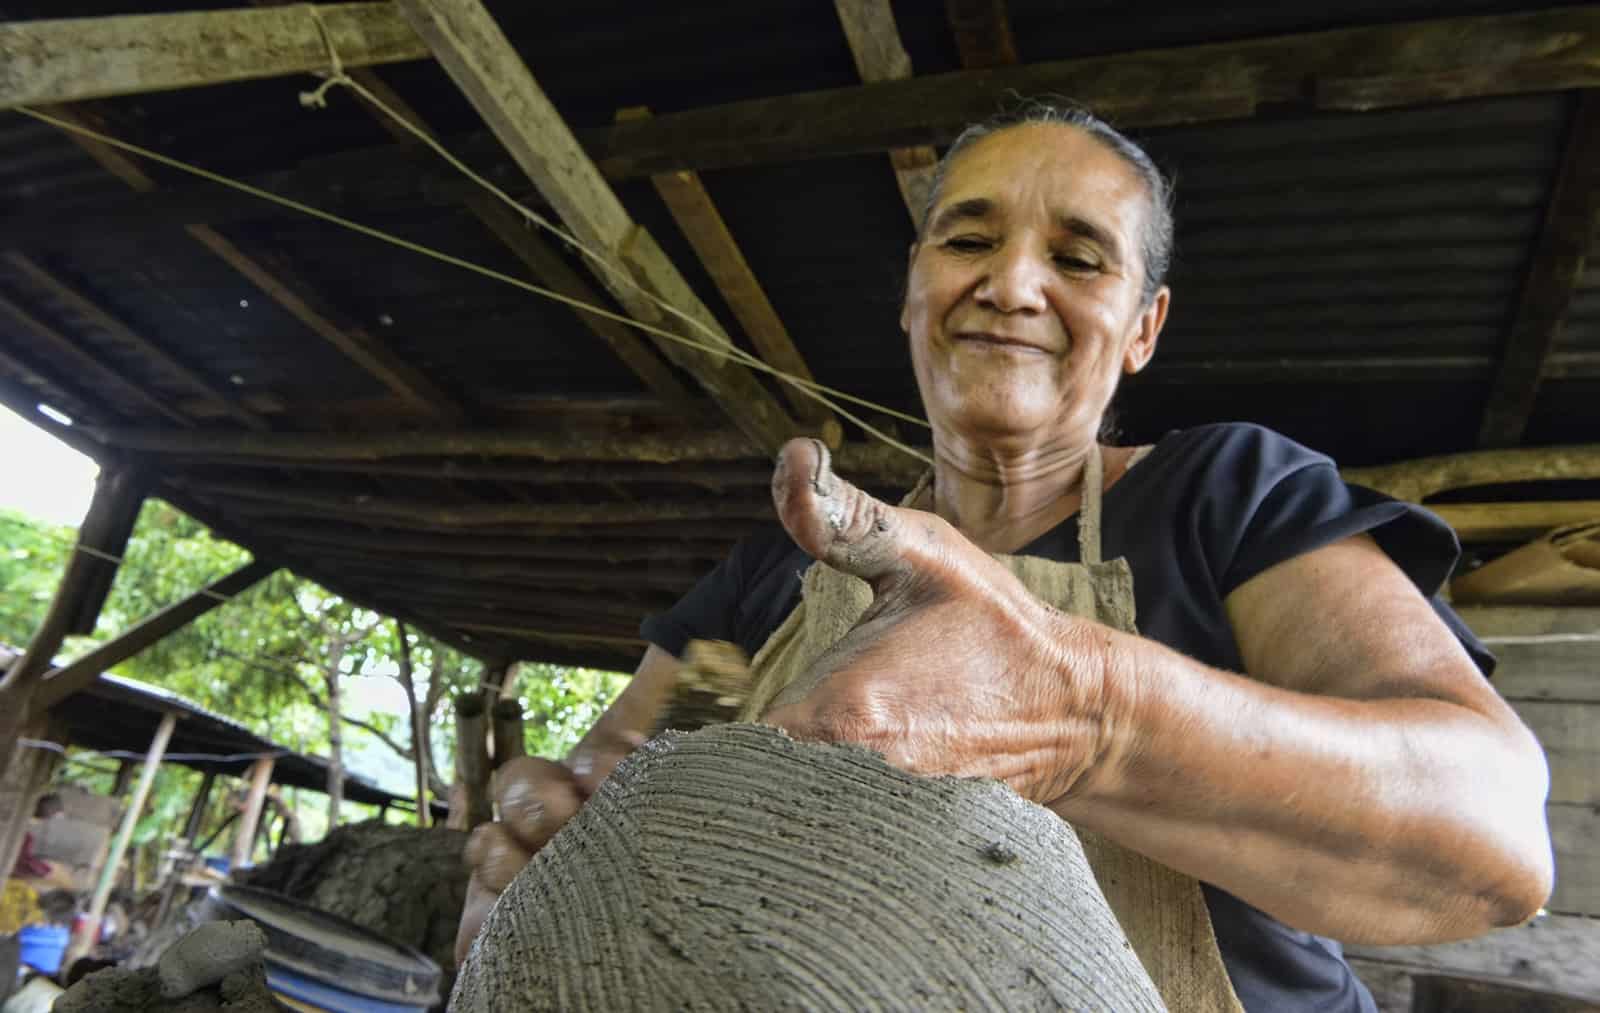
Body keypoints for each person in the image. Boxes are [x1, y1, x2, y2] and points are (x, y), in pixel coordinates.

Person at [457, 102, 1554, 1011]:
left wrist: (1090, 714)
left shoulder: (1228, 499)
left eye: (1078, 257)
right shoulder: (772, 575)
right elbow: (644, 772)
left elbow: (1492, 842)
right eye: (968, 240)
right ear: (912, 288)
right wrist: (548, 838)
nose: (1012, 285)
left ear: (1141, 328)